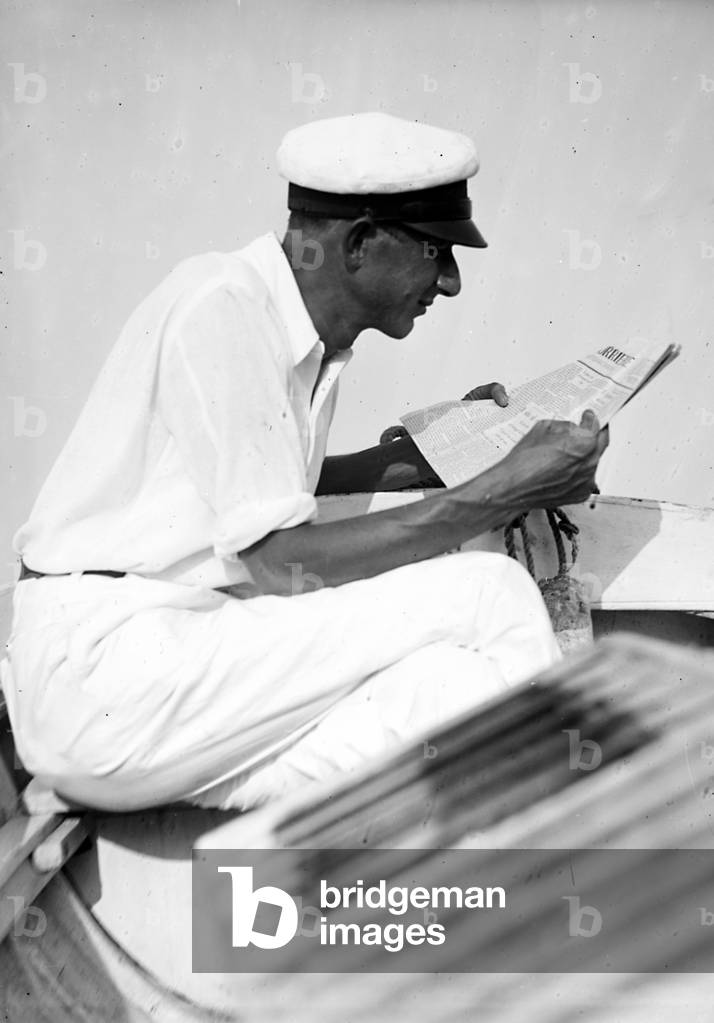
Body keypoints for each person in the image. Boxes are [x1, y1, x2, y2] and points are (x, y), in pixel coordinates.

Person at [0, 112, 608, 811]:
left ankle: (497, 889)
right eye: (438, 252)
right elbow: (278, 560)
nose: (450, 284)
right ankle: (572, 853)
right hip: (109, 669)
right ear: (359, 243)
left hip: (161, 687)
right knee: (489, 593)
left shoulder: (303, 339)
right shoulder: (222, 306)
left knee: (450, 691)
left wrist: (421, 457)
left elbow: (255, 489)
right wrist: (503, 490)